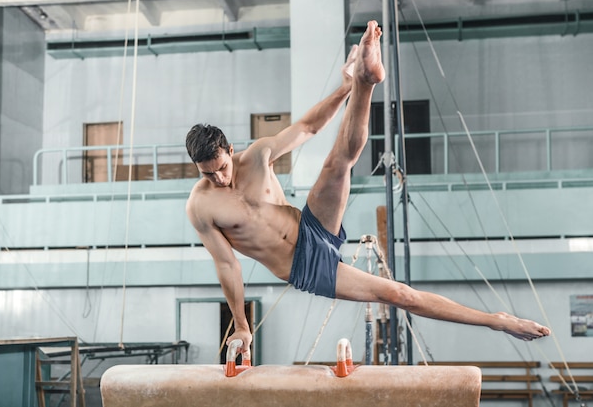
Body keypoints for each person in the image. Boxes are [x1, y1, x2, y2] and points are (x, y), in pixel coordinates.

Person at [185, 20, 550, 355]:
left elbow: (309, 127)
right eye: (207, 174)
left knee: (338, 163)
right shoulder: (201, 207)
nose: (218, 178)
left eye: (221, 168)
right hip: (304, 268)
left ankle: (364, 81)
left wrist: (344, 88)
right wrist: (243, 327)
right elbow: (227, 265)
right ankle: (497, 320)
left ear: (230, 150)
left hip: (312, 227)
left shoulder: (259, 154)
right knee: (399, 294)